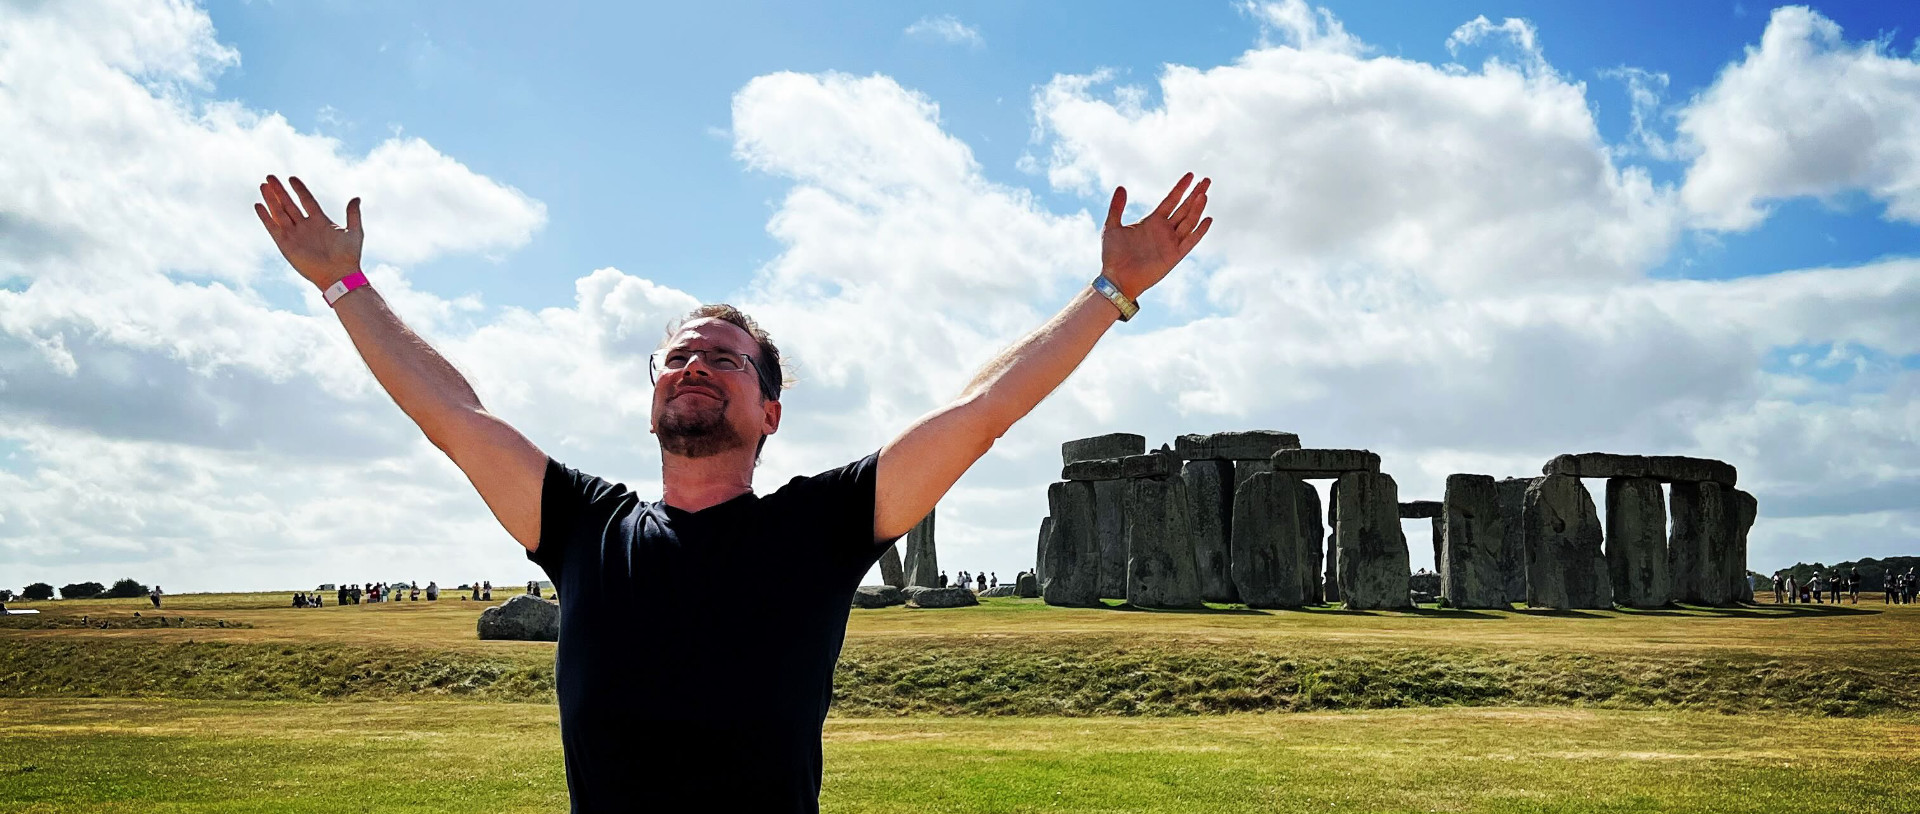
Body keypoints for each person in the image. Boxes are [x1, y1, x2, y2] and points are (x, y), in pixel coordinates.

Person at [252, 169, 1211, 810]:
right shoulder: (587, 526)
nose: (696, 366)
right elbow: (454, 418)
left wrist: (1108, 293)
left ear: (771, 412)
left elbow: (982, 409)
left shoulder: (823, 526)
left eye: (728, 359)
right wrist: (345, 285)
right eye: (678, 357)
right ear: (653, 396)